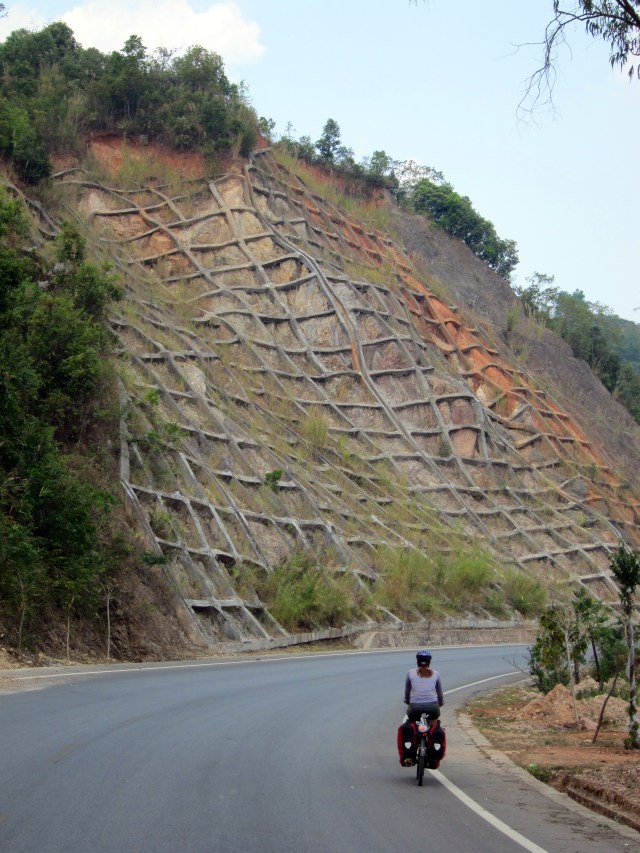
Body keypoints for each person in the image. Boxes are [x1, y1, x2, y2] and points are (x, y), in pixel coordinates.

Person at [403, 649, 444, 722]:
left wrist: (408, 701)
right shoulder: (436, 673)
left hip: (415, 707)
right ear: (430, 662)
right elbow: (440, 694)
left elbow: (407, 691)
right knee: (434, 723)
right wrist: (440, 703)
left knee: (411, 723)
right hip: (432, 707)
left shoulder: (410, 672)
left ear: (417, 661)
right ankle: (435, 728)